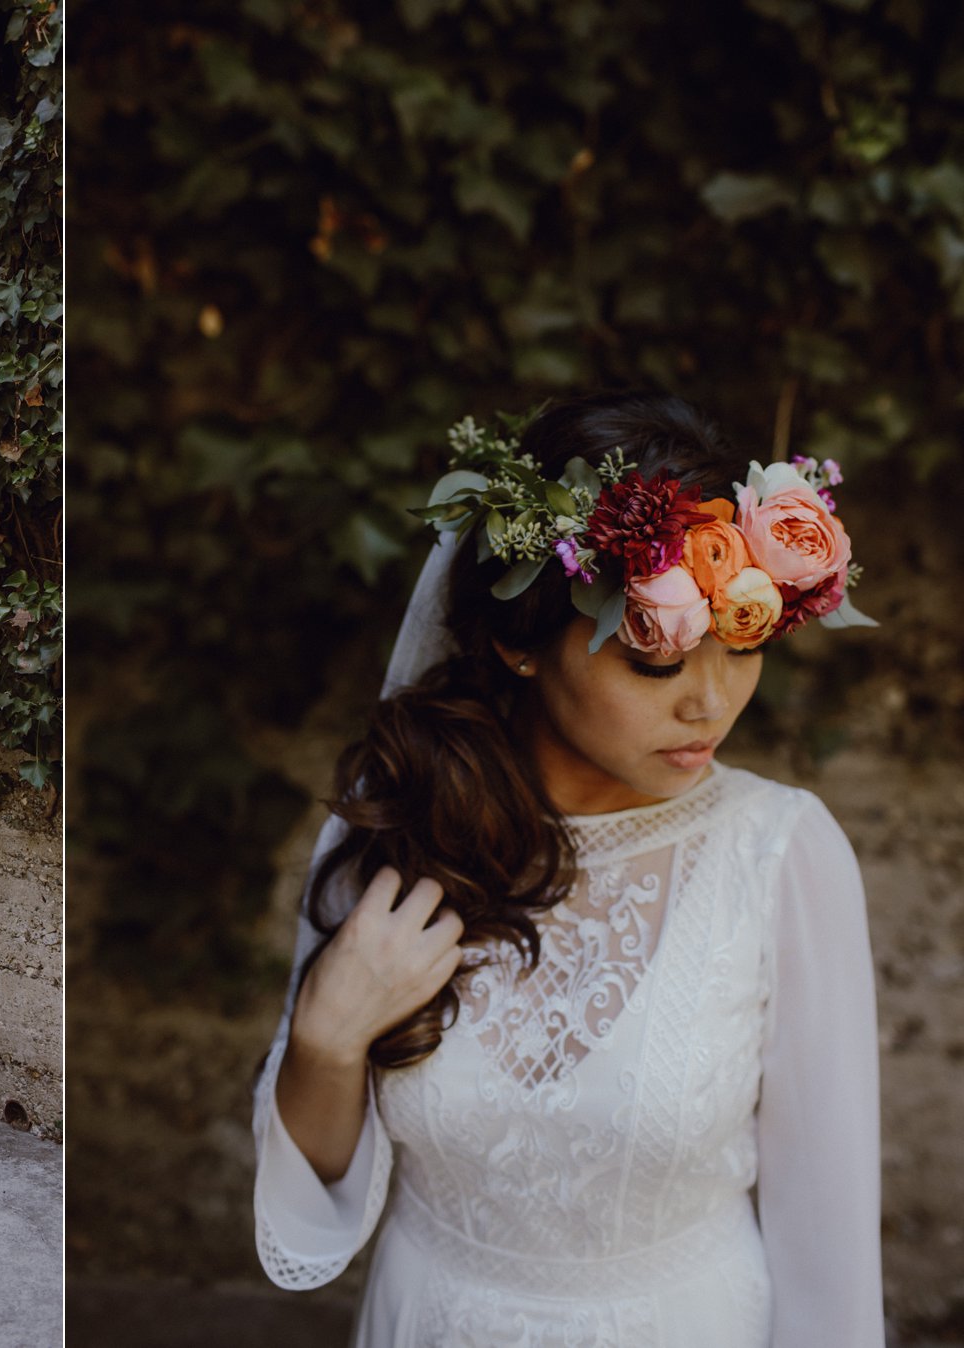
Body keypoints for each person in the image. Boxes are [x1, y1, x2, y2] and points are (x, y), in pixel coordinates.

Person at [251, 392, 884, 1345]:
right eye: (655, 660)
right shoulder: (408, 820)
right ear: (518, 644)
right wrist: (326, 1043)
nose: (709, 703)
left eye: (740, 643)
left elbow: (828, 1243)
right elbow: (315, 1205)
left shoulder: (783, 853)